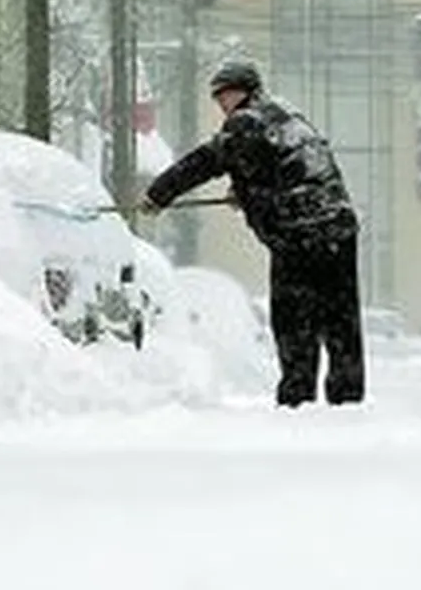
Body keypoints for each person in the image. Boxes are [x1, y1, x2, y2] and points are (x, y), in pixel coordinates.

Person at [140, 62, 366, 407]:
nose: (220, 104)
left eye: (223, 96)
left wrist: (158, 194)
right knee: (340, 318)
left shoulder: (247, 122)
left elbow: (207, 160)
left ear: (241, 91)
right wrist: (247, 190)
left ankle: (297, 397)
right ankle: (347, 397)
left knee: (293, 320)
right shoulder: (287, 117)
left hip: (299, 235)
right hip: (338, 228)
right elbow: (284, 167)